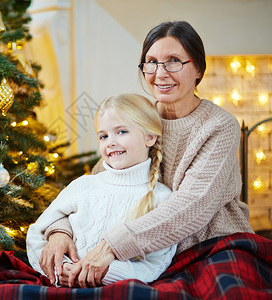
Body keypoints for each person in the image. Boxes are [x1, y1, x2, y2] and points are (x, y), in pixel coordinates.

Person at [39, 20, 254, 288]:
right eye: (151, 62)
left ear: (198, 68)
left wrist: (111, 246)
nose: (160, 73)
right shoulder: (138, 119)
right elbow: (95, 187)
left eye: (173, 60)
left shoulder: (220, 126)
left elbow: (192, 207)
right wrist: (60, 231)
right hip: (145, 257)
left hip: (212, 247)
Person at [27, 94, 177, 287]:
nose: (110, 142)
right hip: (64, 286)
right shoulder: (83, 185)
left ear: (149, 137)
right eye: (103, 136)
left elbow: (156, 264)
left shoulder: (162, 198)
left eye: (122, 132)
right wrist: (60, 268)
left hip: (116, 290)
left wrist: (106, 273)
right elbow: (36, 233)